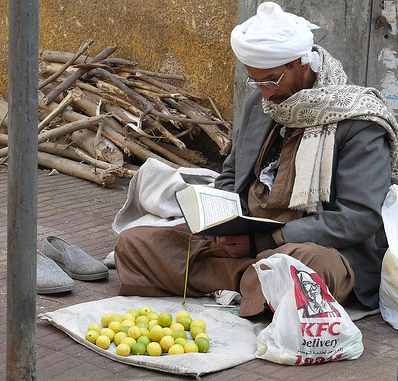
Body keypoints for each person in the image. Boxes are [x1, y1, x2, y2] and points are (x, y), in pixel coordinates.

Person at [113, 2, 398, 317]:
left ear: (301, 63)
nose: (264, 94)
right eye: (256, 83)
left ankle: (243, 279)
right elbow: (230, 175)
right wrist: (219, 221)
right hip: (245, 240)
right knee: (133, 244)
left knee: (303, 265)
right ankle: (252, 282)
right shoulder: (260, 104)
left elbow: (358, 217)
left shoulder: (359, 121)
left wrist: (269, 240)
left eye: (271, 81)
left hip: (313, 248)